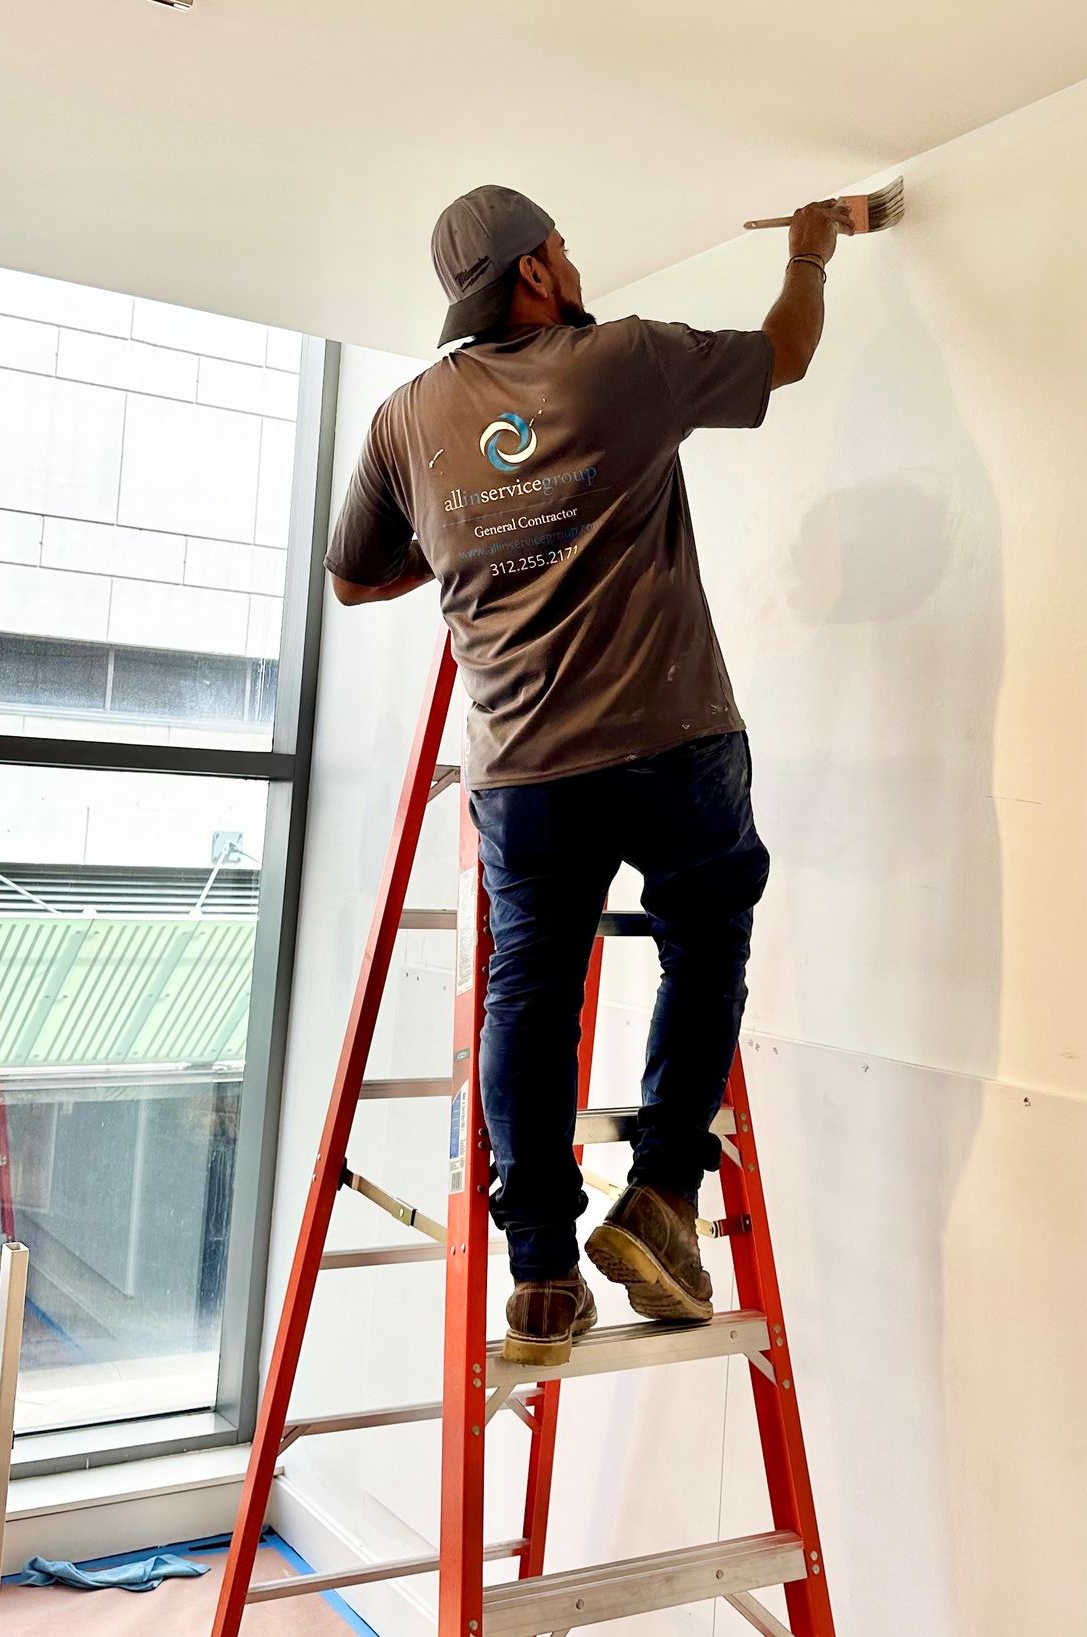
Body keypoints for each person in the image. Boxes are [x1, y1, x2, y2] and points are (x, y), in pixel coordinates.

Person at [325, 184, 846, 1365]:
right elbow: (788, 354)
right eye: (560, 247)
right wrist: (811, 251)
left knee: (530, 995)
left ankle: (545, 1273)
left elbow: (355, 578)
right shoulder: (625, 364)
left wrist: (479, 549)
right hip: (671, 737)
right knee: (705, 934)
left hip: (523, 770)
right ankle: (663, 1193)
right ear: (533, 275)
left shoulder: (408, 421)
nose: (572, 260)